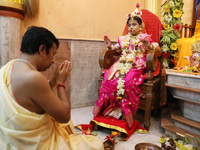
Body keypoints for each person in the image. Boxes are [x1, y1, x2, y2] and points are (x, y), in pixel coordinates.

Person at [0, 26, 104, 150]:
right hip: (33, 144)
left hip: (11, 140)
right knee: (94, 145)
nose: (53, 60)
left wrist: (54, 80)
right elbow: (64, 116)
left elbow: (34, 98)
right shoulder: (34, 77)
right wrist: (61, 83)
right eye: (53, 54)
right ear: (42, 49)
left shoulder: (10, 66)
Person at [93, 4, 161, 132]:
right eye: (129, 25)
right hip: (122, 62)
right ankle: (109, 112)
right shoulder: (123, 39)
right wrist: (109, 47)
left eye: (134, 24)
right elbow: (116, 49)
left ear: (141, 26)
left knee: (127, 82)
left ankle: (125, 114)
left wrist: (149, 45)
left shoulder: (144, 38)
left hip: (137, 64)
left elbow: (158, 50)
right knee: (108, 79)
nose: (131, 27)